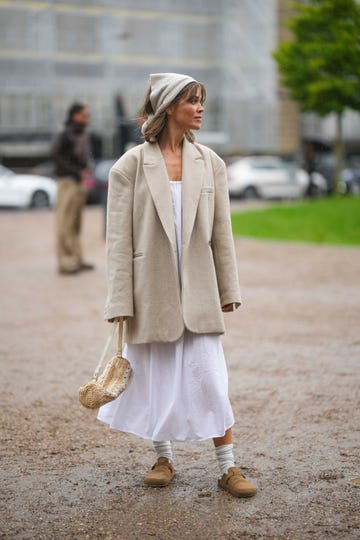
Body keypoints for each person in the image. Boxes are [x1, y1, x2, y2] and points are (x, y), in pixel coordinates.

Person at [98, 73, 257, 498]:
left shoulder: (211, 163)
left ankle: (228, 467)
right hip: (149, 293)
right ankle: (163, 458)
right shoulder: (129, 166)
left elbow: (222, 232)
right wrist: (119, 298)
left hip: (200, 290)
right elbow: (119, 240)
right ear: (170, 106)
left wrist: (229, 289)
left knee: (210, 378)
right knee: (155, 380)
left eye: (202, 100)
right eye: (192, 100)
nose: (200, 108)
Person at [53, 102, 95, 275]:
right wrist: (77, 171)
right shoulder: (65, 134)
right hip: (67, 183)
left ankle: (77, 258)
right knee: (65, 224)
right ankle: (65, 262)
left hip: (78, 183)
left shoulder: (80, 134)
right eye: (85, 115)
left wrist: (85, 169)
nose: (87, 119)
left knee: (77, 223)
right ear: (75, 116)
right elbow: (56, 156)